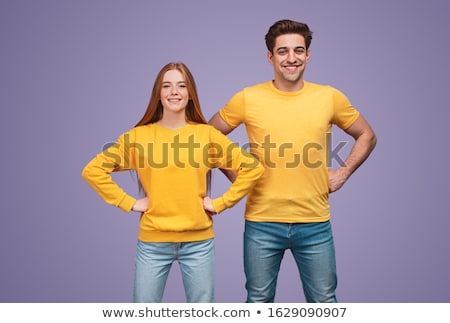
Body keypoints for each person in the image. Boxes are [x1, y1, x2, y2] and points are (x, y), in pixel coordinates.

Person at [208, 19, 377, 303]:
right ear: (270, 57)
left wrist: (344, 172)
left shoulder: (329, 96)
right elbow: (207, 137)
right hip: (262, 222)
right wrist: (237, 176)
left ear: (308, 55)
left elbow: (367, 135)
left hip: (314, 223)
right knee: (258, 302)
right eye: (283, 51)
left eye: (298, 51)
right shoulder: (248, 98)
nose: (291, 58)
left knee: (324, 302)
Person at [81, 62, 264, 303]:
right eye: (166, 86)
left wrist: (222, 202)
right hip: (152, 244)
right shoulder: (138, 137)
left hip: (198, 243)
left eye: (181, 86)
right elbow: (93, 170)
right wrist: (129, 203)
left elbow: (253, 167)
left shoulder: (206, 135)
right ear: (159, 94)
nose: (174, 91)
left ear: (190, 95)